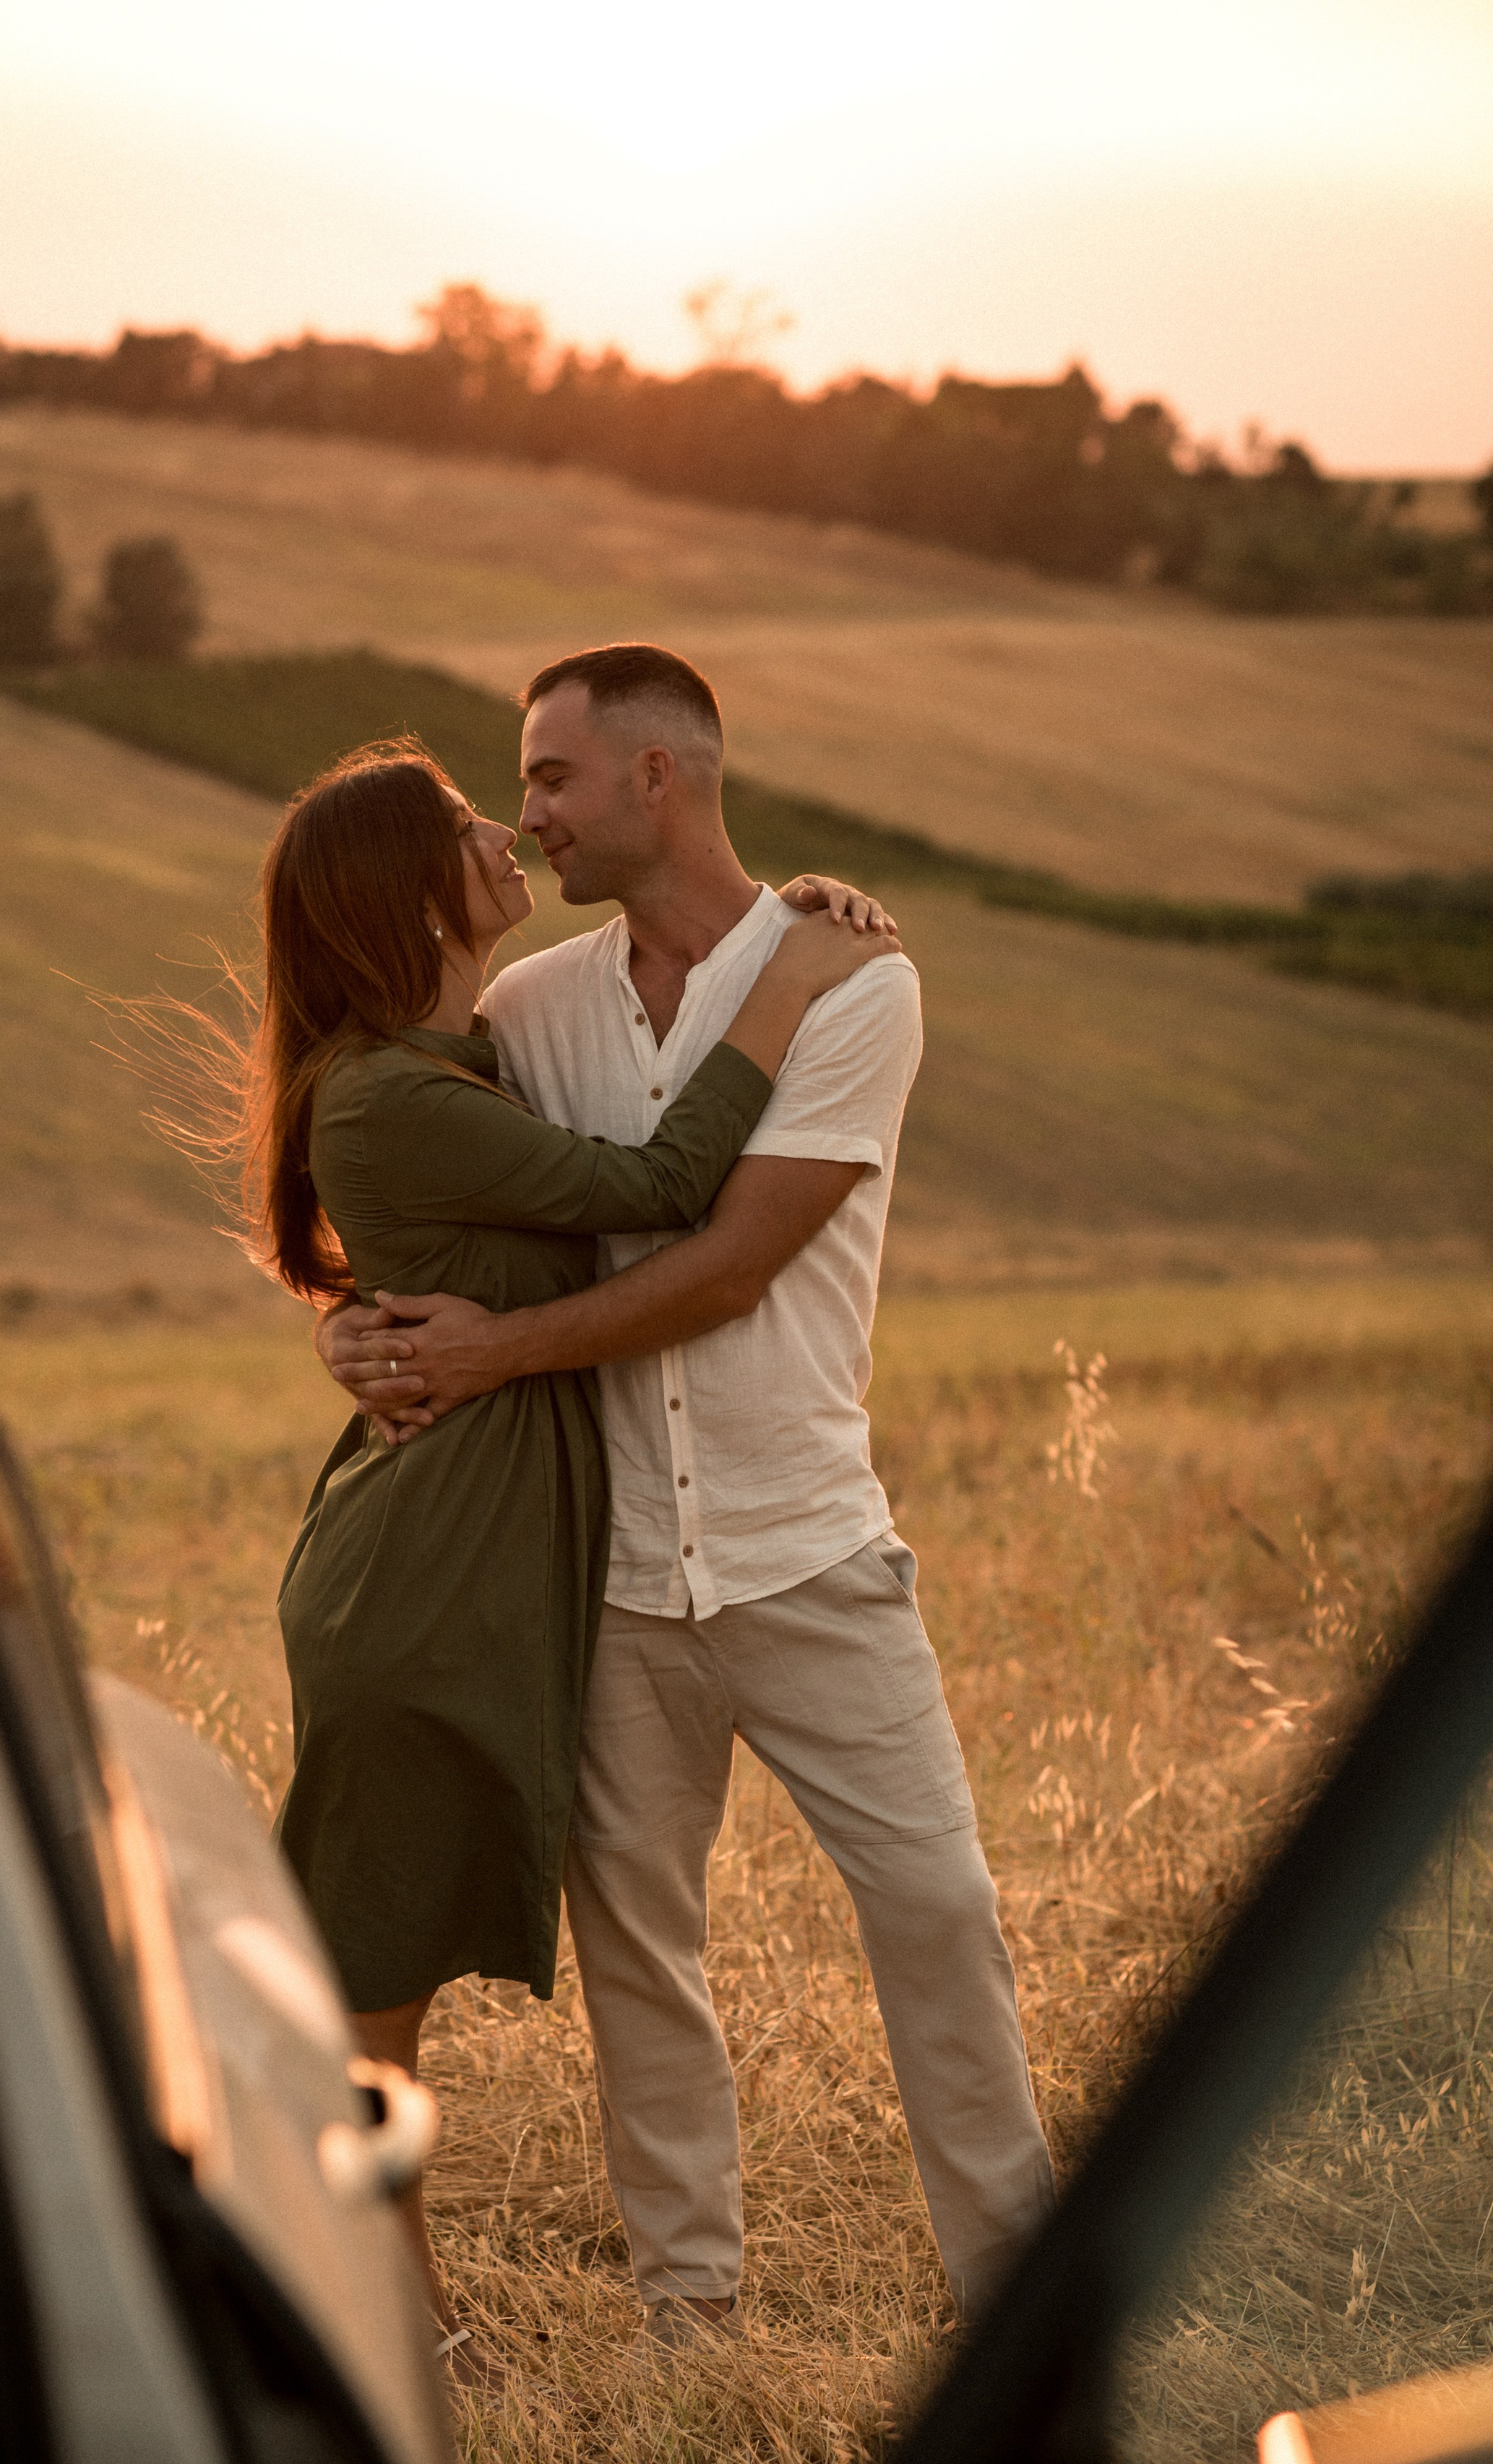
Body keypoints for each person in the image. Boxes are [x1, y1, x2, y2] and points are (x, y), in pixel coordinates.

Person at [321, 644, 1054, 2345]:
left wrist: (493, 1355)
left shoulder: (854, 983)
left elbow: (727, 1261)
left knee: (938, 1911)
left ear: (659, 777)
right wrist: (361, 1340)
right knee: (642, 1961)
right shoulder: (522, 1013)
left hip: (811, 1548)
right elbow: (436, 1217)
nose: (527, 815)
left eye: (553, 779)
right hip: (610, 1568)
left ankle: (1020, 2313)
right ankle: (688, 2319)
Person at [250, 737, 895, 2361]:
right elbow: (674, 1182)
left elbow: (461, 1266)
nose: (500, 827)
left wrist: (773, 916)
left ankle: (383, 2309)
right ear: (408, 884)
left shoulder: (454, 1062)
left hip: (470, 1561)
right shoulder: (392, 1092)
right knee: (367, 1990)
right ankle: (364, 2320)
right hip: (423, 1586)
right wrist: (796, 979)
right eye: (466, 818)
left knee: (390, 1971)